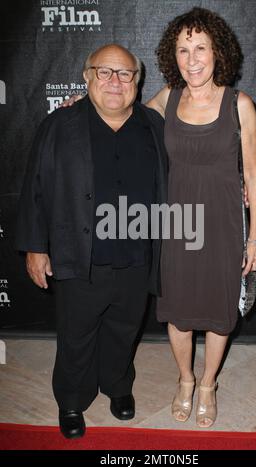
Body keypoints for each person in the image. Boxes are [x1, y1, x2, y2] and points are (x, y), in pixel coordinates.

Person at [15, 44, 168, 439]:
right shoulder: (60, 125)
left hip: (137, 255)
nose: (115, 82)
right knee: (76, 334)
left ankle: (118, 387)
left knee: (124, 328)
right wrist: (35, 247)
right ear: (87, 77)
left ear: (137, 81)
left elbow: (190, 170)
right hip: (80, 256)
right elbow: (35, 188)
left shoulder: (154, 126)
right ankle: (71, 399)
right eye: (105, 72)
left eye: (125, 74)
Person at [146, 7, 256, 427]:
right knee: (177, 310)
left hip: (222, 224)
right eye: (183, 49)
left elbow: (253, 172)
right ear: (172, 55)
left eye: (200, 48)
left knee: (217, 310)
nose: (192, 59)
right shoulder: (166, 98)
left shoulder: (240, 104)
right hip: (176, 224)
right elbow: (121, 121)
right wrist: (82, 103)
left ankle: (209, 384)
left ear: (218, 53)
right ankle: (185, 379)